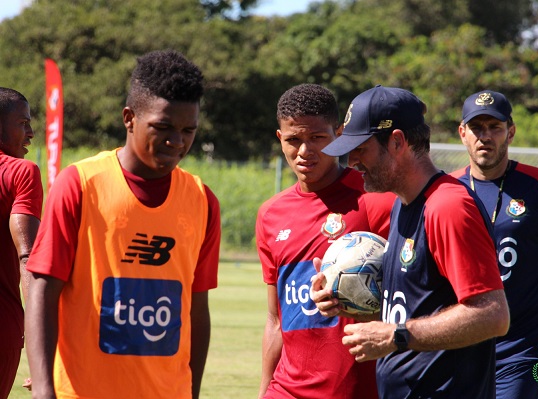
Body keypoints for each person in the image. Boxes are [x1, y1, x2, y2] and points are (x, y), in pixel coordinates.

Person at [25, 50, 221, 399]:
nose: (177, 141)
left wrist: (191, 392)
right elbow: (43, 289)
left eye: (188, 130)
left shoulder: (202, 200)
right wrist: (43, 390)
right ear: (129, 118)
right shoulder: (80, 185)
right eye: (162, 128)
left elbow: (197, 307)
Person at [311, 85, 510, 398]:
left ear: (397, 142)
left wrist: (396, 336)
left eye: (361, 148)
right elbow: (413, 313)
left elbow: (492, 315)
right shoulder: (403, 204)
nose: (351, 161)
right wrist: (348, 302)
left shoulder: (447, 206)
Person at [256, 83, 396, 399]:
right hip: (286, 391)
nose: (305, 151)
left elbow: (411, 300)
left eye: (317, 138)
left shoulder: (374, 199)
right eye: (293, 140)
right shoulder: (270, 215)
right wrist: (264, 392)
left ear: (339, 133)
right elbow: (275, 320)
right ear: (280, 139)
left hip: (357, 391)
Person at [451, 90, 538, 398]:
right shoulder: (447, 190)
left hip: (530, 353)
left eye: (495, 128)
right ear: (463, 133)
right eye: (477, 128)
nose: (485, 137)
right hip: (460, 347)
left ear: (510, 132)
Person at [0, 88, 43, 399]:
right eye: (23, 123)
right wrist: (41, 350)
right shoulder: (21, 172)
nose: (30, 133)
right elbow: (27, 256)